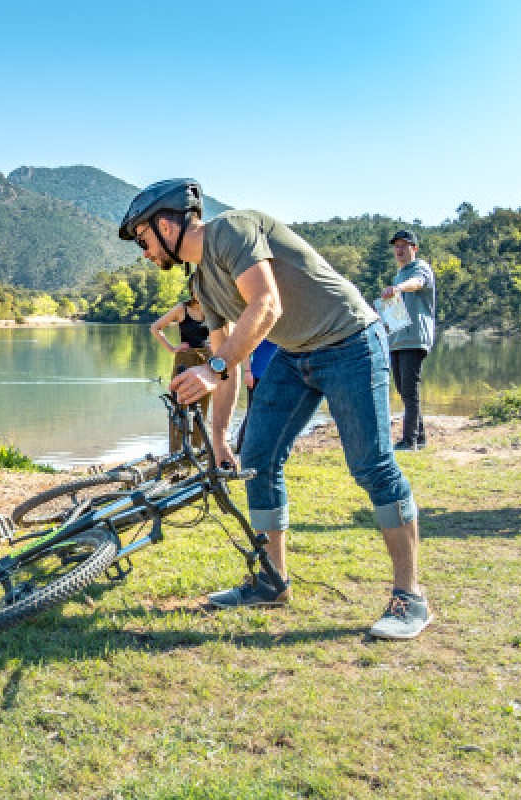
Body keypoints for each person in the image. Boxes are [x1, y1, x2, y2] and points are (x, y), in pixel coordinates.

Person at [120, 179, 429, 640]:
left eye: (144, 239)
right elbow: (226, 359)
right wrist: (220, 435)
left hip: (350, 341)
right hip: (295, 351)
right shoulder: (201, 282)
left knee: (372, 464)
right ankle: (272, 581)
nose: (145, 251)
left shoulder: (232, 231)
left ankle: (410, 597)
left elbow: (266, 304)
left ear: (166, 225)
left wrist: (215, 367)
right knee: (258, 459)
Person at [383, 230, 436, 451]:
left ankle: (409, 441)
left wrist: (398, 288)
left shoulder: (419, 268)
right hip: (397, 340)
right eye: (396, 246)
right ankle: (420, 437)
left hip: (414, 339)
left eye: (404, 246)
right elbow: (394, 314)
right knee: (404, 391)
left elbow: (417, 283)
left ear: (414, 249)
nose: (399, 250)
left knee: (410, 390)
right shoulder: (398, 275)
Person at [151, 295, 211, 450]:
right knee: (180, 404)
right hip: (185, 359)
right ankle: (176, 451)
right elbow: (155, 328)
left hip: (207, 361)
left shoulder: (212, 305)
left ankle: (196, 449)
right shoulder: (181, 308)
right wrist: (172, 349)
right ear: (193, 290)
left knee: (202, 407)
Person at [233, 338, 278, 453]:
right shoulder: (261, 323)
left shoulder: (285, 326)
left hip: (277, 375)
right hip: (257, 375)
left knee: (272, 415)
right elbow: (245, 347)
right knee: (252, 414)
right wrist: (247, 371)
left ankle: (263, 450)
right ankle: (240, 451)